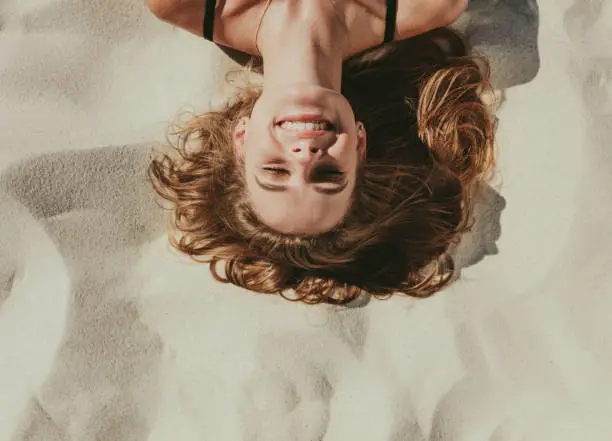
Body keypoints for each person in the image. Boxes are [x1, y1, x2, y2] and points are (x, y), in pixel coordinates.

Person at [147, 0, 496, 304]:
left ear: (241, 138)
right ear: (359, 144)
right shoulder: (426, 5)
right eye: (328, 175)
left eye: (275, 171)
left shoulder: (186, 3)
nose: (304, 156)